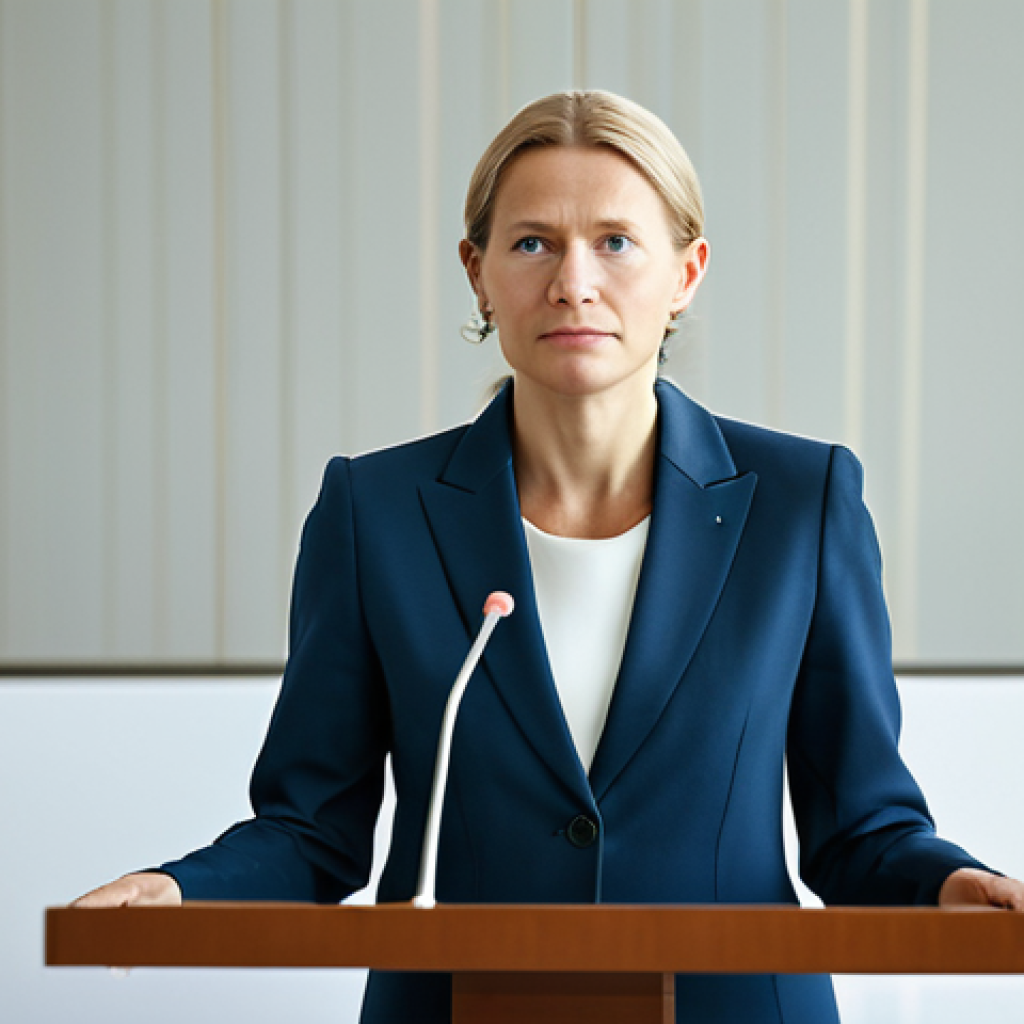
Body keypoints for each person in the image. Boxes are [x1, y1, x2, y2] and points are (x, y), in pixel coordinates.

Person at [74, 90, 1024, 1023]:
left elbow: (860, 828)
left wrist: (956, 884)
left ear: (687, 272)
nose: (574, 281)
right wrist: (182, 890)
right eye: (532, 242)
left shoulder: (800, 504)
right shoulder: (375, 513)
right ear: (477, 272)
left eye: (616, 241)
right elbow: (311, 830)